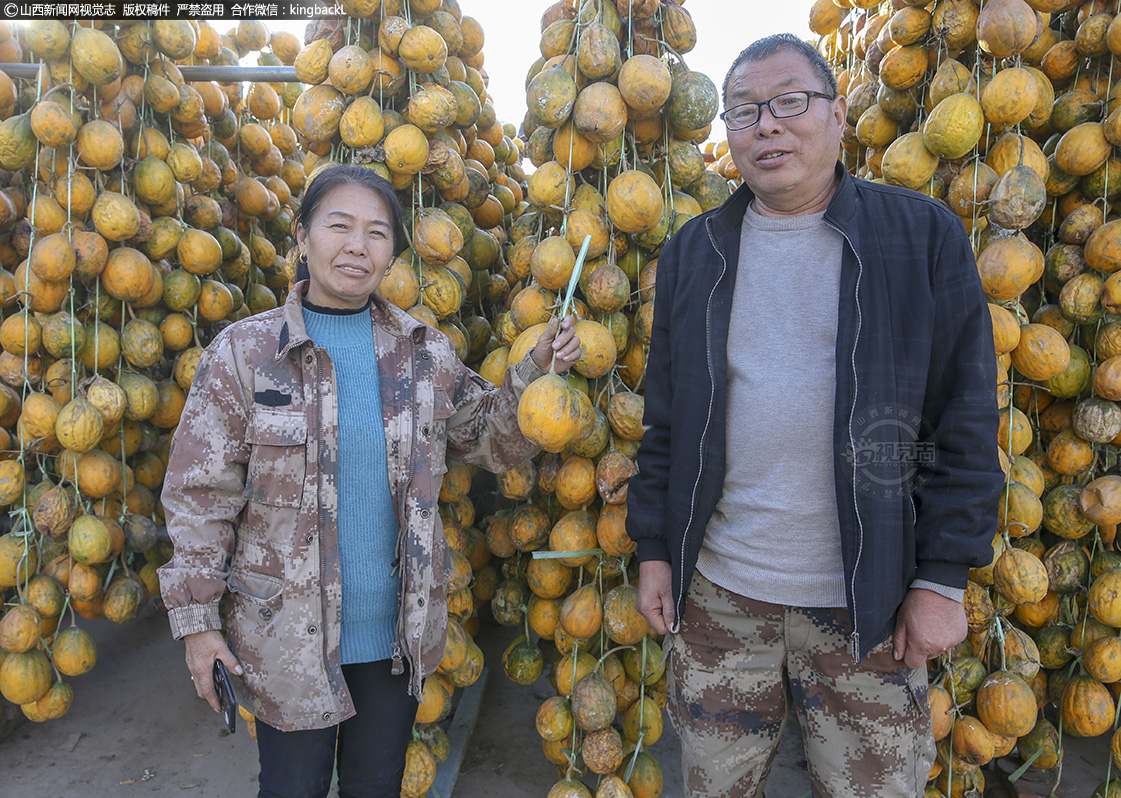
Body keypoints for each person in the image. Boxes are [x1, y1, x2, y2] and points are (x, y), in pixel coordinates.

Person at [626, 34, 1003, 797]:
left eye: (788, 102)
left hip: (866, 601)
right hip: (722, 594)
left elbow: (963, 417)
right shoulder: (694, 251)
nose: (766, 125)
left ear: (837, 117)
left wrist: (943, 578)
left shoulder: (919, 236)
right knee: (713, 785)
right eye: (743, 111)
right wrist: (654, 549)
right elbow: (664, 419)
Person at [158, 164, 581, 798]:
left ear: (392, 253)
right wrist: (198, 625)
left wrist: (536, 370)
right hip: (287, 640)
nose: (358, 246)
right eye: (339, 226)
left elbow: (492, 437)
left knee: (376, 786)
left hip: (393, 637)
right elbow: (199, 498)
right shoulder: (245, 353)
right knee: (292, 789)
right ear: (302, 236)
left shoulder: (424, 353)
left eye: (378, 233)